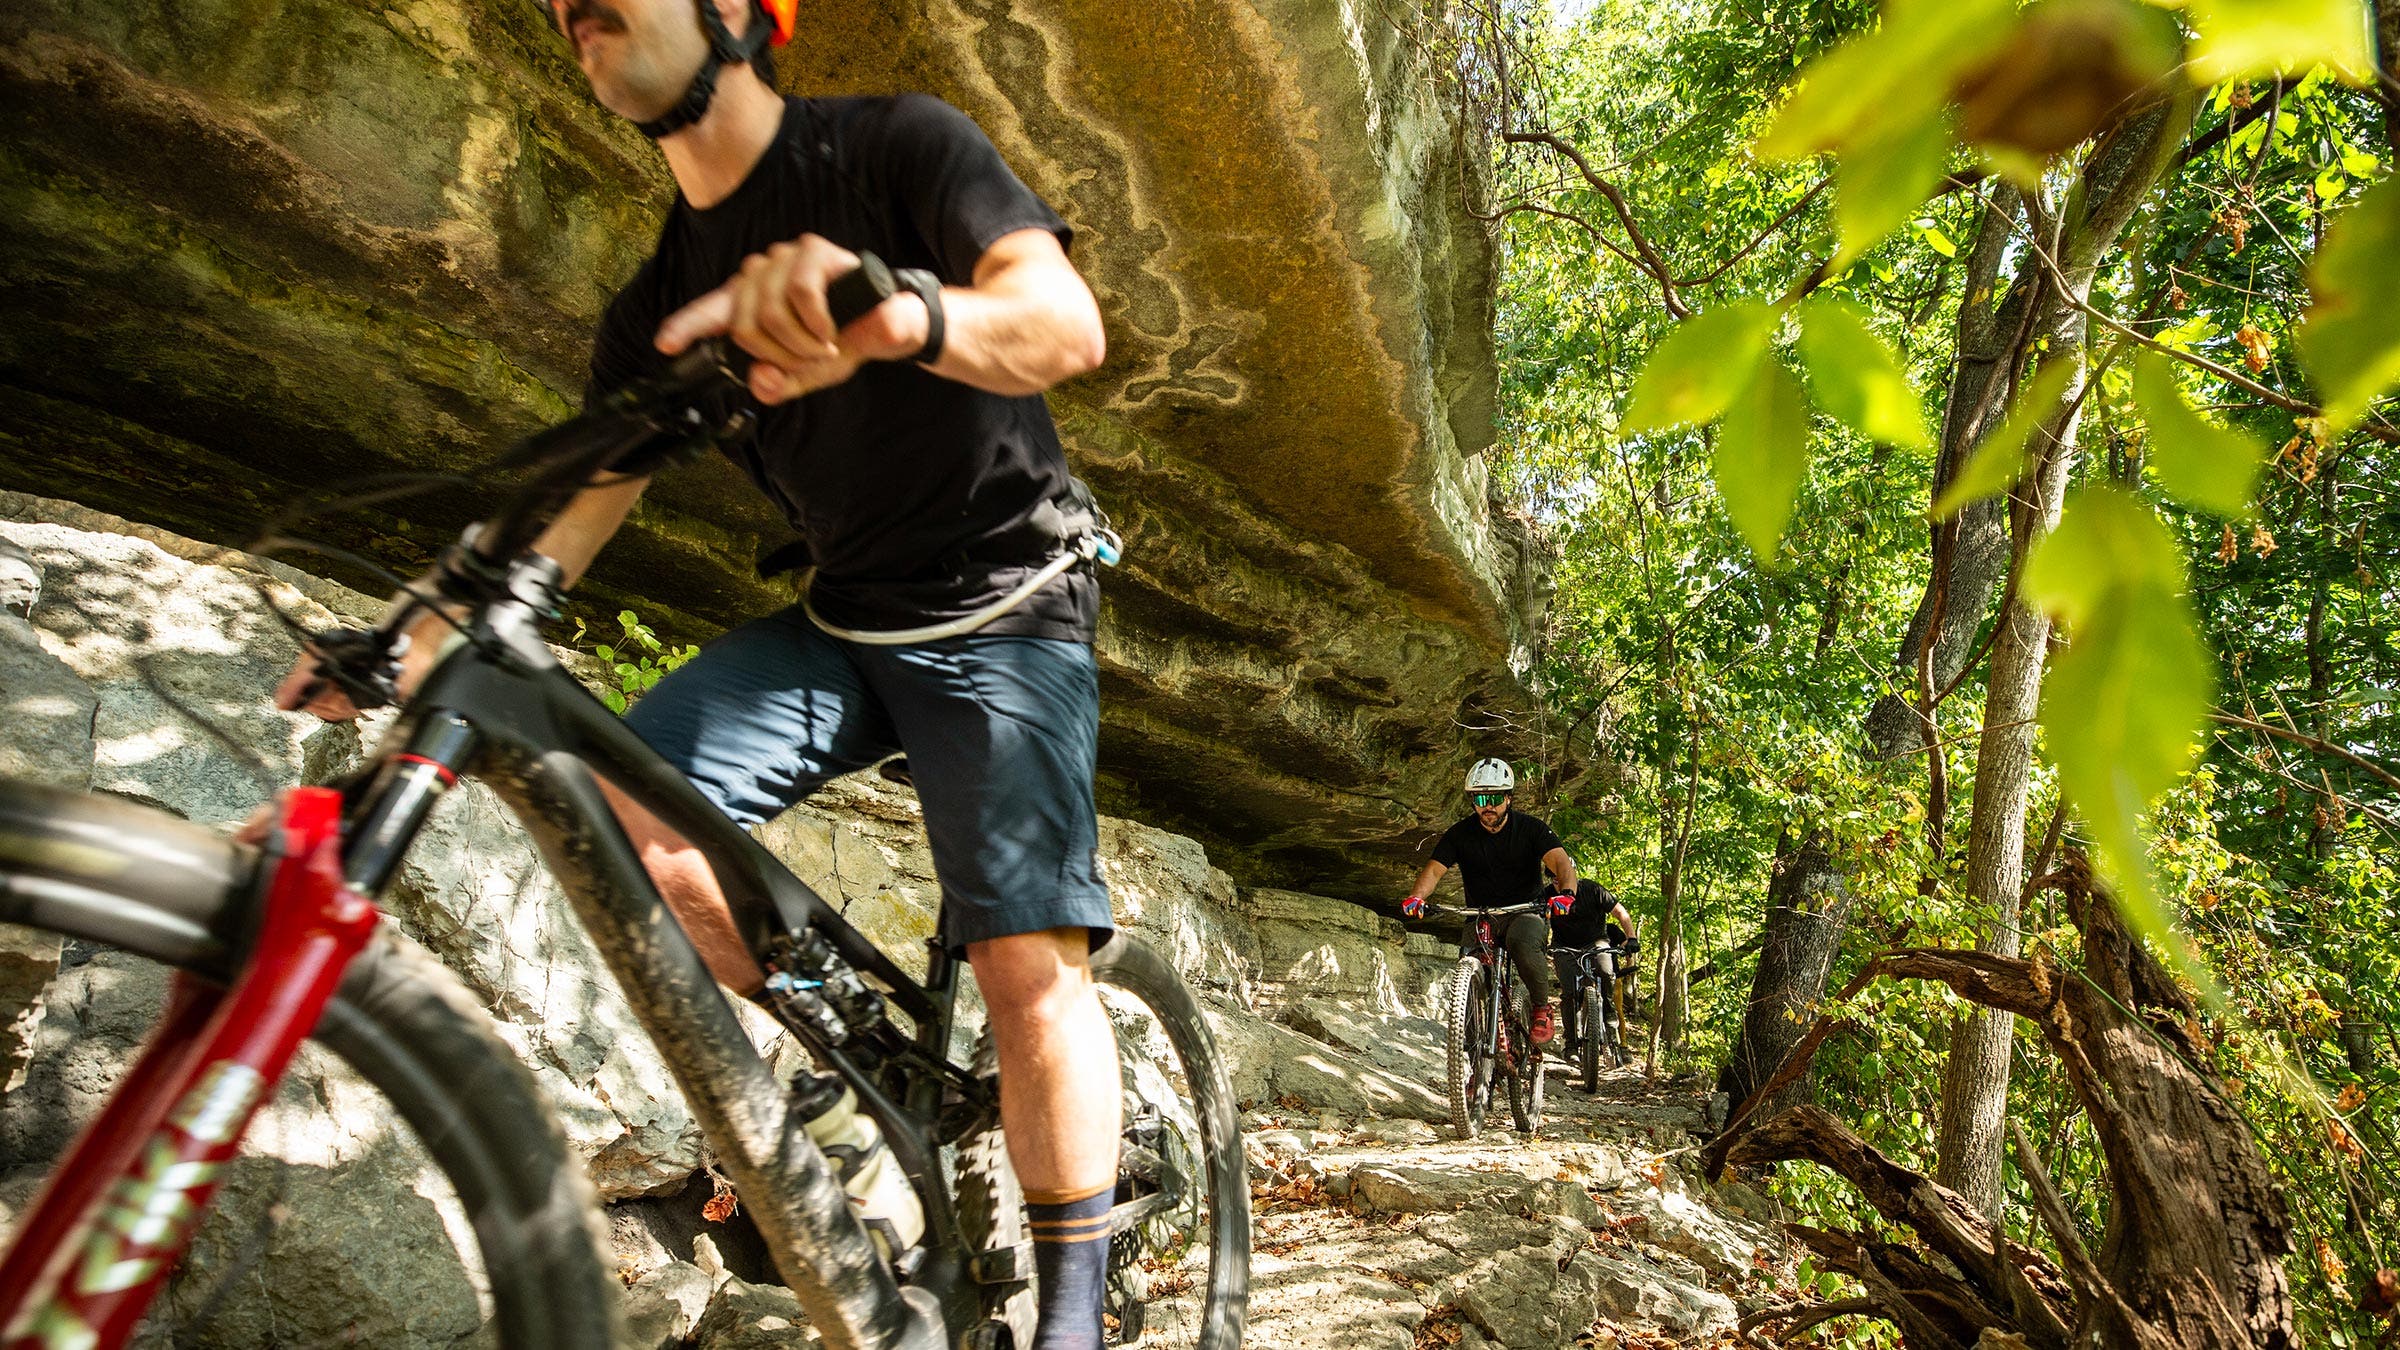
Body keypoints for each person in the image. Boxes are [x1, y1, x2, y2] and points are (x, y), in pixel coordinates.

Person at [275, 1, 1120, 1344]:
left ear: (737, 11)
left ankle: (1072, 1317)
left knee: (1024, 960)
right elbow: (566, 518)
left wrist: (894, 308)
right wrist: (414, 629)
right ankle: (852, 1106)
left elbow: (1062, 325)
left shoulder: (899, 145)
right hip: (845, 622)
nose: (577, 10)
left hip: (1009, 607)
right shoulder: (660, 304)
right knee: (619, 818)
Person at [1402, 758, 1578, 1044]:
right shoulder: (1459, 834)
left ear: (1508, 798)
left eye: (1495, 798)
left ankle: (1541, 1008)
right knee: (1469, 964)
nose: (1488, 807)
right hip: (1480, 913)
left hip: (1524, 911)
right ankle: (1472, 1045)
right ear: (1473, 802)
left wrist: (1566, 894)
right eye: (1481, 799)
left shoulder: (1531, 829)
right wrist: (1416, 897)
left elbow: (1560, 862)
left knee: (1523, 942)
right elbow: (1434, 871)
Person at [1549, 878, 1639, 1066]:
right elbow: (1537, 918)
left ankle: (1609, 1019)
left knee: (1605, 972)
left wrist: (1631, 938)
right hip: (1564, 947)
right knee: (1569, 992)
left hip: (1596, 942)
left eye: (1561, 878)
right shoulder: (1548, 894)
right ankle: (1571, 1044)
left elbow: (1620, 912)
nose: (1558, 884)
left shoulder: (1593, 890)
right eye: (1554, 879)